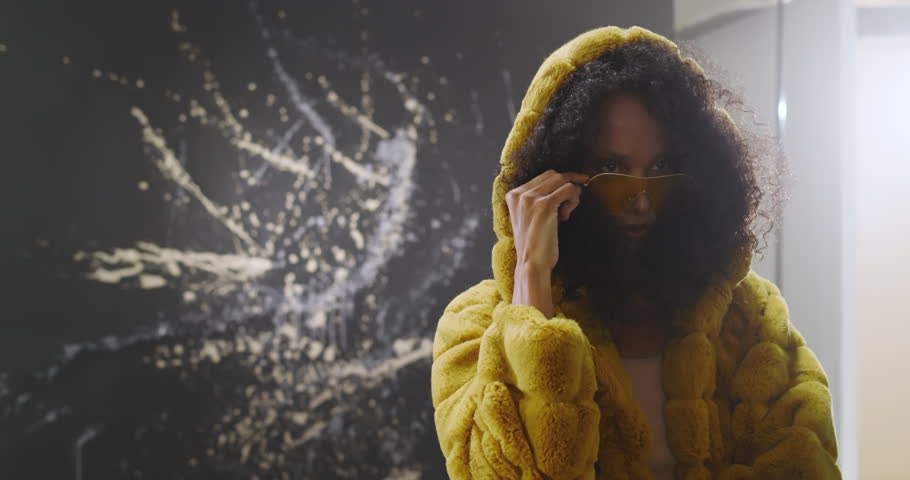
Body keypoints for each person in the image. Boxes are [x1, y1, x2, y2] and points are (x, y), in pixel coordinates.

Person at [430, 26, 840, 479]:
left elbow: (805, 462)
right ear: (552, 172)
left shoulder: (750, 319)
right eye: (610, 169)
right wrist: (531, 277)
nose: (641, 202)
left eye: (662, 168)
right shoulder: (473, 326)